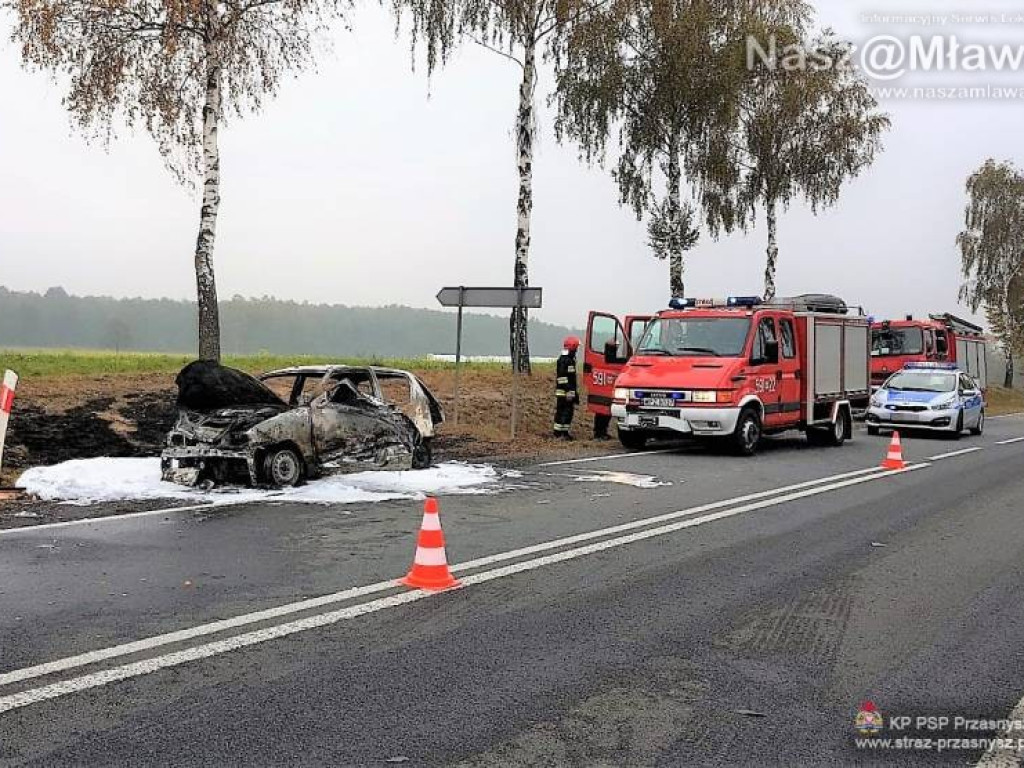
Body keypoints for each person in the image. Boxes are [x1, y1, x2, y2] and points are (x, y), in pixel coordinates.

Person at [553, 336, 580, 440]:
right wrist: (568, 391)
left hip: (567, 391)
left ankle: (563, 432)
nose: (577, 350)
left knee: (567, 412)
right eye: (576, 347)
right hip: (565, 392)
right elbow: (563, 378)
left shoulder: (568, 359)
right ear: (572, 347)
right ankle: (560, 434)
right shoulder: (565, 360)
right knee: (564, 412)